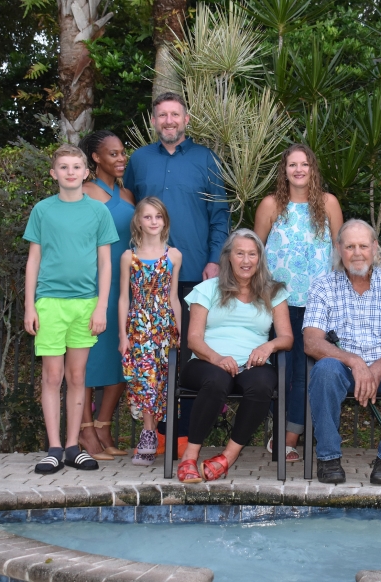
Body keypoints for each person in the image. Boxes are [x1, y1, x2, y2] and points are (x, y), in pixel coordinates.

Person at [124, 91, 230, 455]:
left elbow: (220, 214)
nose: (169, 121)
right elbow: (129, 211)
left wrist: (215, 260)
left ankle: (184, 436)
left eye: (175, 115)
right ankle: (157, 434)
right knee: (153, 359)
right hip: (150, 281)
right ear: (154, 121)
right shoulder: (139, 160)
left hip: (195, 273)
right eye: (162, 115)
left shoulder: (207, 159)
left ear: (186, 120)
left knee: (188, 354)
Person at [303, 219, 381, 486]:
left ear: (375, 247)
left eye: (363, 246)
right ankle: (328, 457)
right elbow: (311, 342)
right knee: (324, 370)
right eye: (349, 246)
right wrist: (354, 362)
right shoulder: (323, 285)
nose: (357, 253)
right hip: (343, 367)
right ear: (338, 249)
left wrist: (376, 368)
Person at [23, 144, 119, 474]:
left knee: (78, 376)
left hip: (86, 304)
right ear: (54, 174)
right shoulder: (42, 210)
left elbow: (105, 263)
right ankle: (53, 448)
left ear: (85, 172)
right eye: (63, 167)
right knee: (52, 376)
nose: (70, 172)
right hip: (49, 303)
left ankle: (73, 447)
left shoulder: (98, 212)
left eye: (75, 167)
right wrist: (29, 306)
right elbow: (33, 259)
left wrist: (101, 306)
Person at [175, 229, 292, 483]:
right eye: (240, 253)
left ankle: (227, 457)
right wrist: (216, 358)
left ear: (260, 259)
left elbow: (287, 337)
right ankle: (189, 457)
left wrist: (268, 347)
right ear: (228, 257)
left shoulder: (272, 292)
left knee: (262, 385)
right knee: (217, 380)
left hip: (253, 363)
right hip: (207, 362)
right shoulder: (207, 289)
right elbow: (193, 339)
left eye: (252, 254)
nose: (246, 260)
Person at [254, 144, 343, 463]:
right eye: (293, 165)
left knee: (310, 374)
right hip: (279, 305)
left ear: (312, 169)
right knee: (284, 373)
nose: (299, 170)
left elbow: (340, 253)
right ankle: (280, 435)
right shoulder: (270, 205)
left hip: (319, 306)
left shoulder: (329, 204)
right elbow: (254, 254)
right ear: (285, 170)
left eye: (305, 164)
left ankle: (286, 439)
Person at [77, 130, 136, 460]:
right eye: (112, 154)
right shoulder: (84, 192)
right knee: (88, 360)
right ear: (96, 158)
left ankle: (103, 426)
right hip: (94, 286)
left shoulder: (128, 195)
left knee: (120, 360)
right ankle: (86, 432)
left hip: (125, 288)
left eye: (122, 153)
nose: (120, 158)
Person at [118, 198, 182, 466]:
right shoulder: (128, 257)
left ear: (165, 221)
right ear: (138, 222)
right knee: (144, 379)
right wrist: (123, 336)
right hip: (139, 328)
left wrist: (181, 331)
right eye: (148, 217)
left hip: (164, 327)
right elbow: (124, 298)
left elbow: (174, 297)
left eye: (158, 216)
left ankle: (156, 434)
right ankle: (147, 433)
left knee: (163, 380)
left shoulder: (174, 255)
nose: (153, 221)